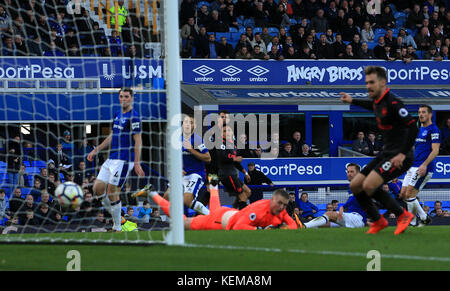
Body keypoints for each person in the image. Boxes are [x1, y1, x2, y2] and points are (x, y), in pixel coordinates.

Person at [340, 66, 417, 235]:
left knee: (368, 185)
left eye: (371, 82)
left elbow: (412, 128)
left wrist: (402, 153)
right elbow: (372, 106)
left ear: (383, 82)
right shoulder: (378, 102)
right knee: (355, 185)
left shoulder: (394, 103)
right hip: (386, 153)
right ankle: (378, 220)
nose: (368, 86)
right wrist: (352, 100)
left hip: (400, 155)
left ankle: (402, 214)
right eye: (366, 82)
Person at [87, 88, 145, 232]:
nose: (123, 99)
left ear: (131, 98)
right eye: (121, 96)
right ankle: (121, 220)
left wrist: (137, 162)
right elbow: (112, 136)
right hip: (112, 157)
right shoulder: (117, 114)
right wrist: (96, 149)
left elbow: (138, 141)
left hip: (124, 159)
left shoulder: (134, 117)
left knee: (113, 192)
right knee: (97, 189)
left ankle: (117, 227)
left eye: (126, 96)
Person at [139, 182, 298, 230]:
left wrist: (286, 229)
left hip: (228, 213)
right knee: (181, 223)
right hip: (219, 221)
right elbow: (237, 228)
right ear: (271, 200)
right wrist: (260, 230)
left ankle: (214, 187)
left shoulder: (280, 211)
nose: (281, 207)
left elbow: (292, 224)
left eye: (284, 205)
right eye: (279, 203)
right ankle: (153, 194)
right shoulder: (257, 210)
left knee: (212, 211)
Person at [161, 114, 211, 216]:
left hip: (195, 174)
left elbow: (208, 158)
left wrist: (191, 150)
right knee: (167, 196)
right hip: (182, 174)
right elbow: (176, 157)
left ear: (195, 126)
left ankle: (209, 216)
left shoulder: (197, 140)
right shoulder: (178, 139)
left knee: (187, 201)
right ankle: (181, 220)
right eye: (186, 122)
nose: (188, 124)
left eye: (191, 122)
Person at [400, 105, 440, 226]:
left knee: (409, 194)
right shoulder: (420, 129)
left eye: (423, 112)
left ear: (430, 114)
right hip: (413, 165)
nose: (420, 115)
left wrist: (424, 165)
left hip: (423, 167)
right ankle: (423, 217)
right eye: (419, 112)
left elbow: (435, 150)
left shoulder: (434, 129)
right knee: (403, 194)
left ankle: (412, 222)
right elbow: (416, 148)